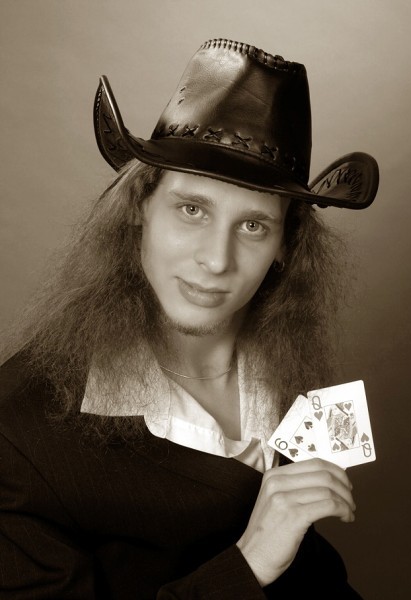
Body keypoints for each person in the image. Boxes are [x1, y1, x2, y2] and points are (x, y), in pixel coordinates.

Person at [0, 38, 379, 599]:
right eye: (192, 209)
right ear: (139, 208)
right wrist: (250, 562)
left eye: (253, 225)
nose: (217, 260)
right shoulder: (16, 433)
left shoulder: (291, 369)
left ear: (285, 245)